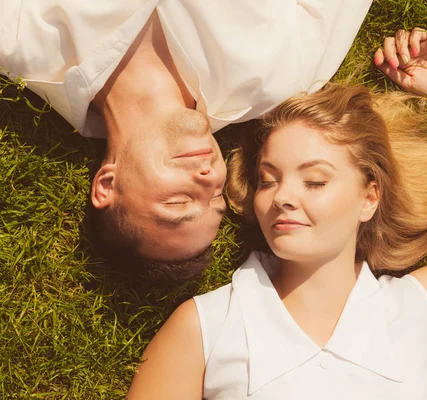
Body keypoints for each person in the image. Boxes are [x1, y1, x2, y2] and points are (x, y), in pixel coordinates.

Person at [125, 27, 427, 398]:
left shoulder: (412, 312)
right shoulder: (206, 326)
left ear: (369, 198)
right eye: (269, 179)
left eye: (314, 180)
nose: (282, 197)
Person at [0, 0, 372, 281]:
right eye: (215, 198)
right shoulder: (274, 80)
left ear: (107, 184)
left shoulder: (20, 39)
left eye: (177, 201)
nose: (210, 180)